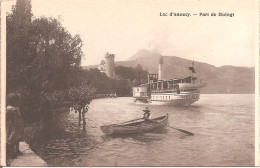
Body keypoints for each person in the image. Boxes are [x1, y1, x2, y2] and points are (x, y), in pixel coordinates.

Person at [6, 93, 24, 159]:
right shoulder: (10, 109)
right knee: (12, 138)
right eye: (17, 100)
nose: (18, 102)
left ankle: (16, 150)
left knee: (17, 137)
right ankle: (11, 152)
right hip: (13, 126)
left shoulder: (16, 108)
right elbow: (9, 119)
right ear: (13, 101)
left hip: (18, 125)